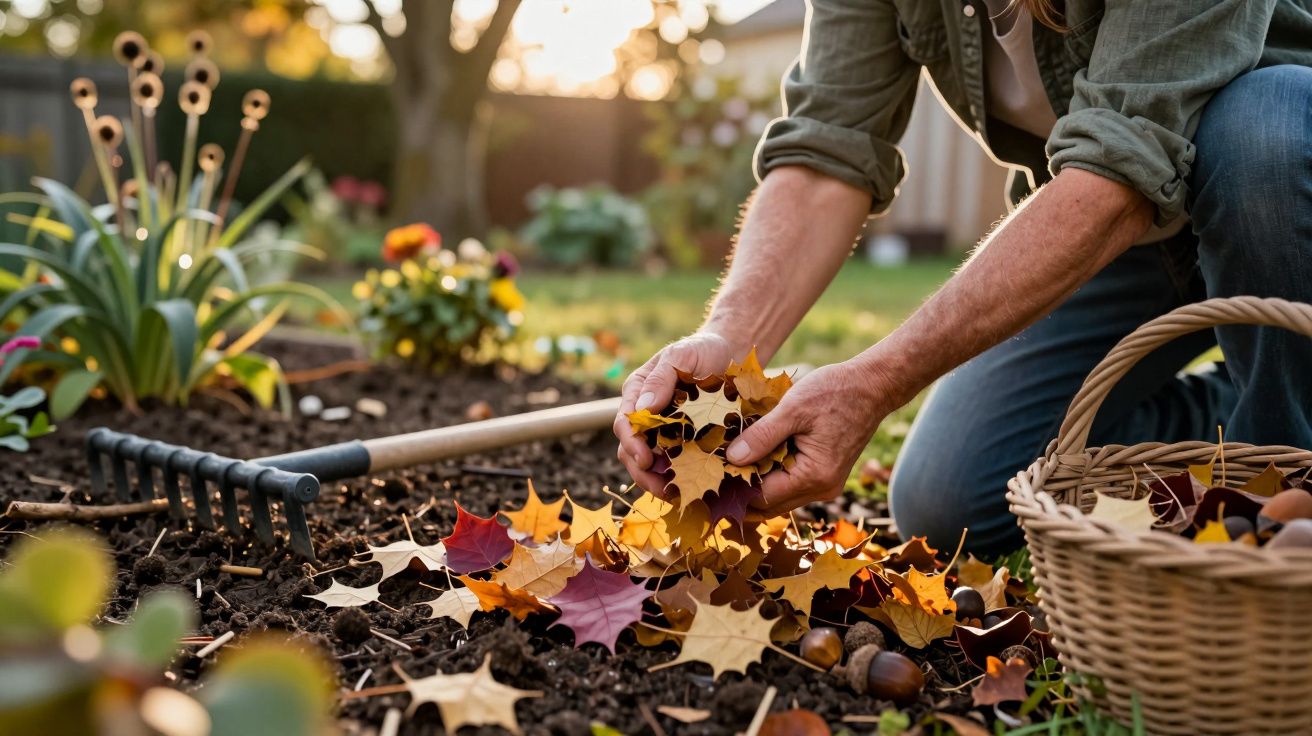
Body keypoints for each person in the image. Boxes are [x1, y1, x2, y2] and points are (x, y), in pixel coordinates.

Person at [613, 0, 1312, 557]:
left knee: (1265, 124)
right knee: (952, 497)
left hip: (1273, 199)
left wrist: (877, 379)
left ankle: (1287, 472)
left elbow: (1120, 169)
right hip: (1113, 229)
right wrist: (728, 340)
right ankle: (1245, 404)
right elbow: (828, 145)